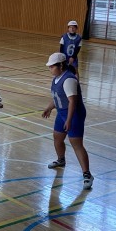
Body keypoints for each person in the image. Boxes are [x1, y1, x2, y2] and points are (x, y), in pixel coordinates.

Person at [42, 52, 94, 189]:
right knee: (57, 137)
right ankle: (61, 160)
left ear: (60, 66)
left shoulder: (69, 80)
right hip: (62, 112)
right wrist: (49, 108)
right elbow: (58, 98)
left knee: (76, 144)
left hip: (74, 114)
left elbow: (72, 102)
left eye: (52, 66)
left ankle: (87, 174)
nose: (50, 69)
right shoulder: (56, 78)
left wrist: (69, 120)